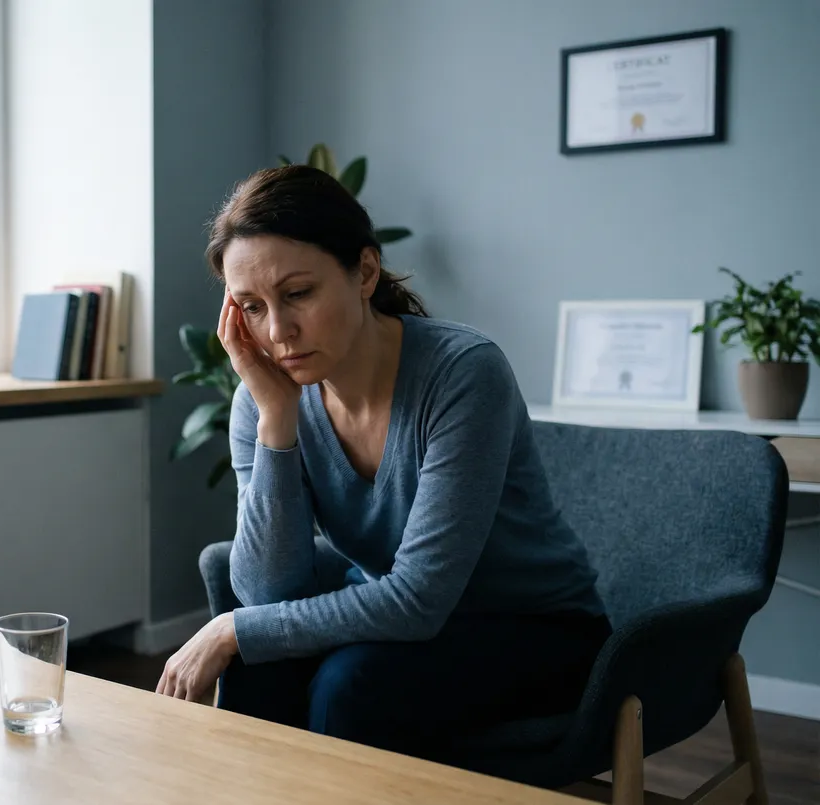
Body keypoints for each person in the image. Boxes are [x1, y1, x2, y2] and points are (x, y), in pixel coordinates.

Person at [155, 164, 611, 760]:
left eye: (298, 294)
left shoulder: (462, 373)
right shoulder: (264, 398)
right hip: (406, 627)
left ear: (365, 272)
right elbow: (269, 590)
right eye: (252, 307)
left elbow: (418, 601)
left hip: (538, 629)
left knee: (349, 684)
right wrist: (277, 423)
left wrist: (229, 628)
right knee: (263, 671)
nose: (279, 331)